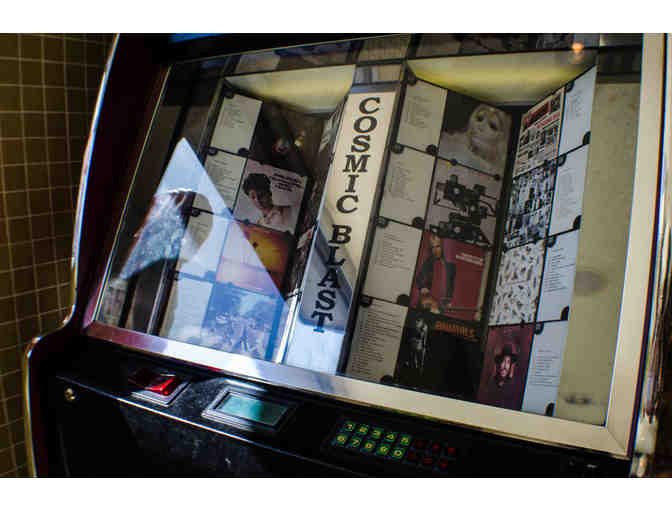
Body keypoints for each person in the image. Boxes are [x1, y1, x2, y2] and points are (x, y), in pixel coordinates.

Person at [414, 234, 456, 314]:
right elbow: (419, 278)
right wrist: (422, 287)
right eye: (432, 247)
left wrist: (449, 300)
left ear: (443, 247)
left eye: (437, 246)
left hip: (442, 305)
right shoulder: (428, 262)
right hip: (430, 302)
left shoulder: (451, 266)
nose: (435, 250)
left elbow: (451, 286)